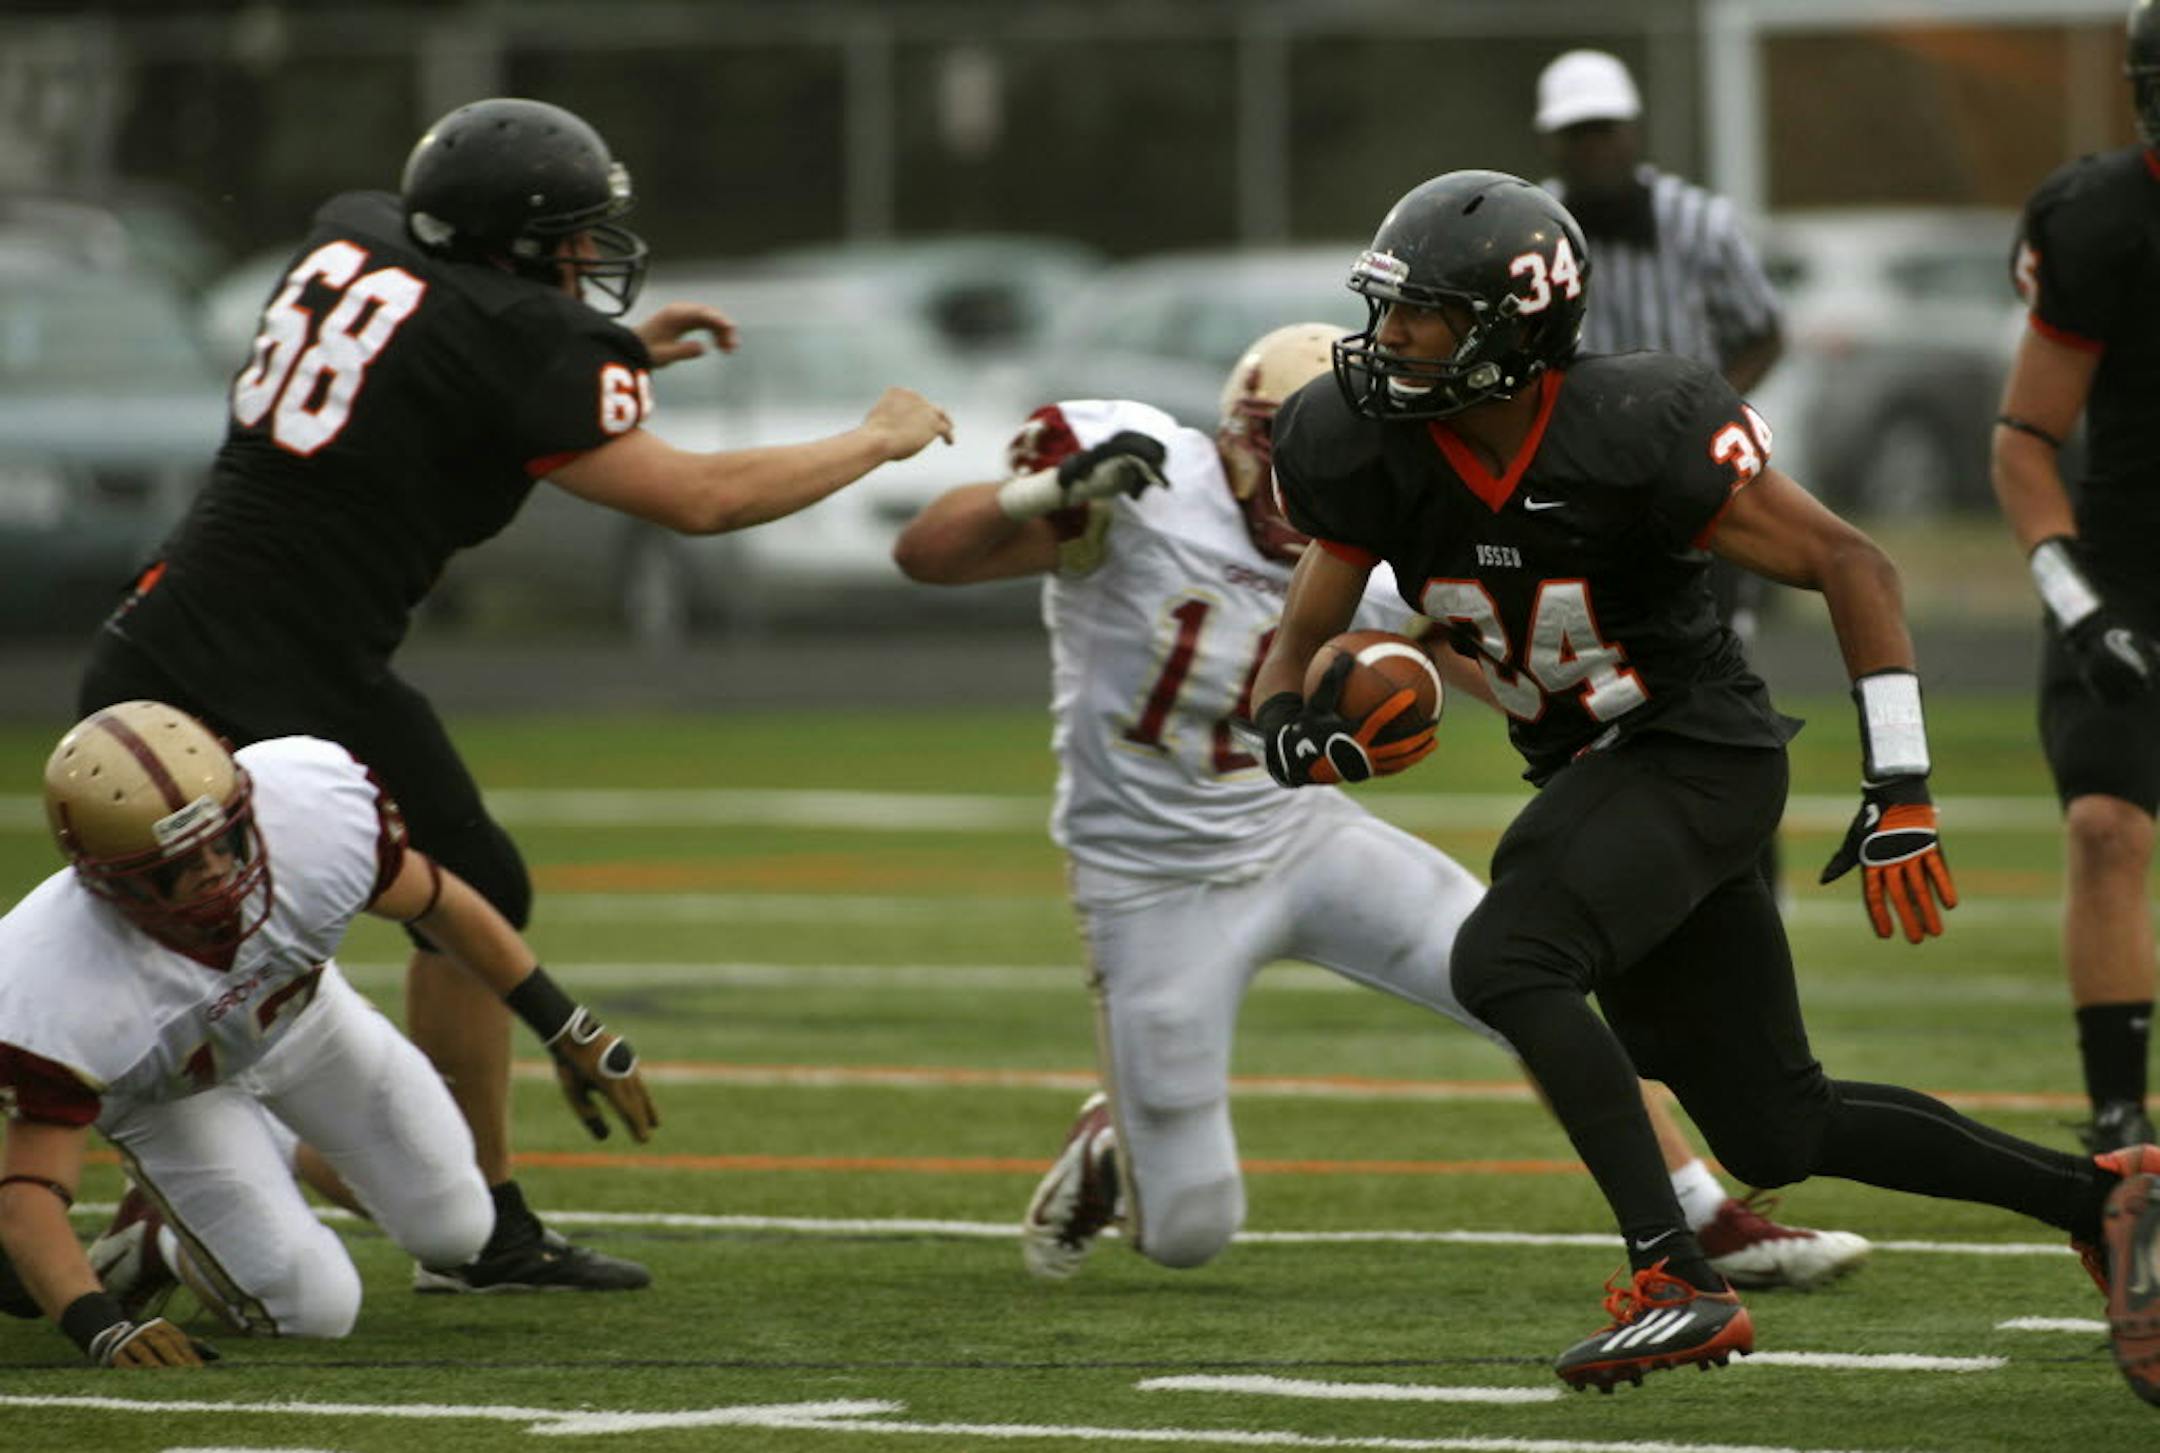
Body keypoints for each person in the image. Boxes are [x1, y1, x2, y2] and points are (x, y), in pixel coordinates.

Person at [1251, 169, 2160, 1402]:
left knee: (1508, 957)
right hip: (1597, 770)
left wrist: (1899, 780)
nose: (1388, 338)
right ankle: (2101, 1199)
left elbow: (1852, 559)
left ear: (1510, 327)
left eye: (1424, 313)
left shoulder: (1633, 424)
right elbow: (1295, 647)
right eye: (1388, 306)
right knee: (1776, 1126)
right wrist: (1291, 732)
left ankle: (1676, 1275)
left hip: (1695, 748)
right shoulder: (1364, 446)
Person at [72, 97, 952, 1293]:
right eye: (576, 236)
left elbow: (430, 359)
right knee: (301, 935)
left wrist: (617, 358)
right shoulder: (522, 340)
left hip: (189, 636)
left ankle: (441, 1210)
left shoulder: (366, 235)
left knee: (359, 914)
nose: (592, 257)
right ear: (524, 244)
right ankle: (404, 1208)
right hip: (273, 667)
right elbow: (699, 500)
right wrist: (876, 438)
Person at [891, 323, 1866, 1294]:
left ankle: (1706, 1213)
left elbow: (1478, 654)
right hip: (1150, 879)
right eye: (1275, 444)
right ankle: (1117, 1136)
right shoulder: (1144, 485)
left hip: (1304, 834)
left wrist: (1634, 739)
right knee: (1189, 1228)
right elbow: (925, 555)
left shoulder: (1385, 521)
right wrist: (1049, 490)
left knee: (1529, 970)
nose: (1293, 474)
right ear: (1234, 432)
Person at [0, 701, 657, 1367]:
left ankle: (218, 1188)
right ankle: (164, 1242)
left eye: (223, 839)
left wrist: (566, 1025)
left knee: (459, 1227)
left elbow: (437, 901)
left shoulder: (307, 812)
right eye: (175, 864)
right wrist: (99, 1325)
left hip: (299, 1020)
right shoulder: (55, 977)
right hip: (170, 1097)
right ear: (108, 879)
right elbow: (28, 1189)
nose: (215, 870)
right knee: (314, 1309)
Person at [1533, 47, 1788, 893]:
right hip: (1585, 490)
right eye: (1577, 134)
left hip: (1695, 485)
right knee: (1603, 687)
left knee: (1725, 678)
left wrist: (1703, 417)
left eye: (1604, 128)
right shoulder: (1538, 234)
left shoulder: (1699, 223)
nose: (1594, 146)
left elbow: (1764, 328)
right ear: (1554, 142)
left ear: (1632, 129)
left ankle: (1751, 875)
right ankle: (1618, 866)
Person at [1993, 0, 2160, 1157]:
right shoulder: (2101, 219)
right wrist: (2079, 603)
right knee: (2106, 825)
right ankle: (2121, 1119)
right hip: (2126, 563)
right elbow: (2022, 441)